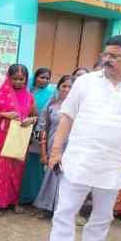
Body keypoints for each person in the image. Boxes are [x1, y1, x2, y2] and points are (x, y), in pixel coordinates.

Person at [36, 35, 121, 241]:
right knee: (65, 211)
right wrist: (56, 151)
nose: (107, 59)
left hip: (114, 164)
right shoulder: (86, 82)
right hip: (79, 160)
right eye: (106, 54)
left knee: (102, 213)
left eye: (114, 56)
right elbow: (66, 116)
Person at [0, 64, 36, 216]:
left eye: (21, 79)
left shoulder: (29, 97)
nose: (18, 82)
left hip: (18, 138)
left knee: (16, 171)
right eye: (15, 79)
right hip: (1, 138)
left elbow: (34, 115)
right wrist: (4, 115)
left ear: (26, 79)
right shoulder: (0, 94)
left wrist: (30, 120)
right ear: (8, 78)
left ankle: (11, 201)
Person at [33, 75, 72, 217]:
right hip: (52, 145)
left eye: (70, 87)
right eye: (64, 86)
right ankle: (47, 207)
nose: (67, 90)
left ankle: (63, 209)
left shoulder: (80, 108)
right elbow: (42, 128)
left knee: (67, 178)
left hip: (71, 148)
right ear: (58, 87)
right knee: (52, 175)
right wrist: (42, 151)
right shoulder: (51, 106)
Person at [20, 67, 55, 205]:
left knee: (35, 163)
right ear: (35, 78)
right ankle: (21, 195)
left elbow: (47, 115)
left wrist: (39, 128)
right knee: (22, 162)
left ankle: (34, 196)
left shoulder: (51, 94)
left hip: (38, 132)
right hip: (22, 128)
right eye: (42, 77)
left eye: (47, 78)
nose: (44, 80)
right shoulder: (27, 91)